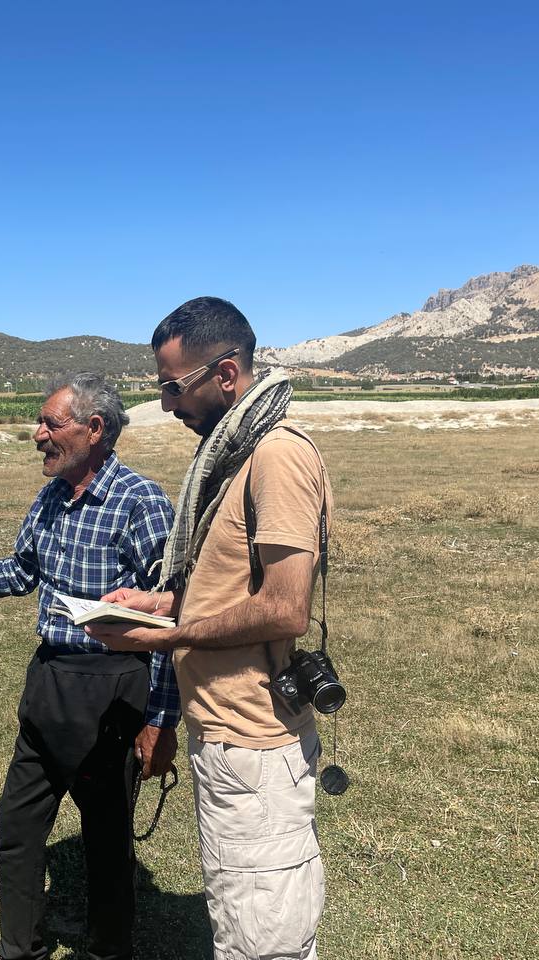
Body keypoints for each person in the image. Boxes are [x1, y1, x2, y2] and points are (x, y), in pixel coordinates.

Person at [0, 372, 178, 960]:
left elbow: (174, 614)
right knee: (17, 829)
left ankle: (108, 950)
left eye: (50, 423)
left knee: (106, 840)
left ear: (94, 429)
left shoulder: (141, 501)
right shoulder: (50, 497)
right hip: (47, 682)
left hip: (112, 689)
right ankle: (20, 951)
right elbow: (20, 572)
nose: (37, 433)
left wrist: (160, 719)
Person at [86, 297, 332, 960]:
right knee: (244, 919)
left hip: (253, 740)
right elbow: (227, 584)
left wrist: (171, 636)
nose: (167, 404)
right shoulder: (232, 457)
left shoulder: (276, 457)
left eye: (174, 387)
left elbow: (285, 607)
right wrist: (160, 602)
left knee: (261, 938)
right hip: (227, 733)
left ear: (225, 374)